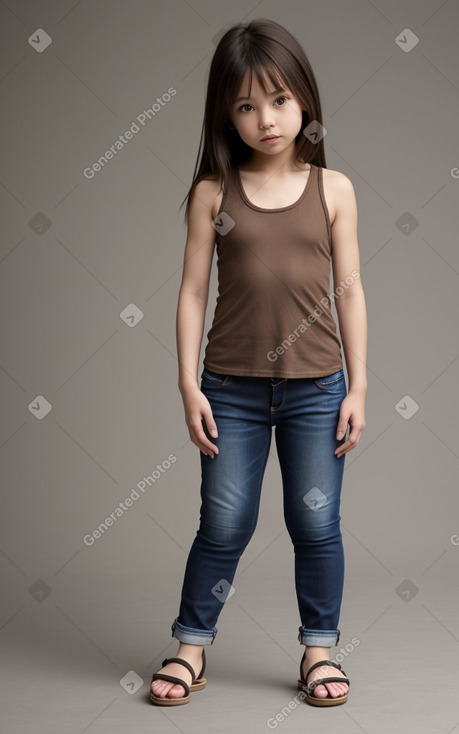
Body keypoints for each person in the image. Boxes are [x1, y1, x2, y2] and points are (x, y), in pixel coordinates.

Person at [151, 17, 367, 708]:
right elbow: (190, 292)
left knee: (315, 524)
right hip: (231, 390)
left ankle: (318, 650)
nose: (264, 119)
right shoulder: (214, 194)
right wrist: (188, 385)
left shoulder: (333, 188)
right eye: (244, 105)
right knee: (223, 523)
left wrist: (358, 386)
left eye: (276, 100)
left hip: (316, 388)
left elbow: (350, 290)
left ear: (303, 100)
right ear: (225, 113)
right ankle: (190, 644)